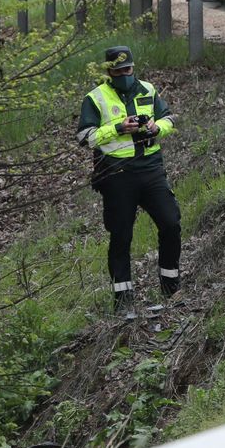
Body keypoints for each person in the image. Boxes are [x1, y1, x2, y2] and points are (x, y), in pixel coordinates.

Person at [76, 45, 181, 319]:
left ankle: (171, 288)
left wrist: (157, 128)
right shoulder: (95, 97)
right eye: (119, 71)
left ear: (134, 67)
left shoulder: (148, 89)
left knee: (170, 222)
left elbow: (170, 118)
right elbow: (85, 137)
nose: (125, 75)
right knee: (121, 236)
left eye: (128, 69)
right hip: (117, 175)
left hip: (150, 169)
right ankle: (123, 302)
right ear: (109, 71)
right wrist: (118, 128)